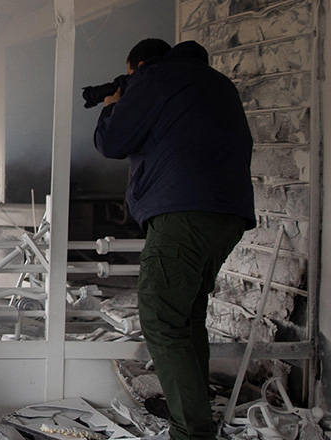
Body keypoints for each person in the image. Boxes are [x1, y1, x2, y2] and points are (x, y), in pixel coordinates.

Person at [94, 39, 254, 440]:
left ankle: (191, 429)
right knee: (185, 318)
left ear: (138, 65)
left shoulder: (154, 77)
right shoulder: (218, 84)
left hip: (183, 212)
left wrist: (112, 104)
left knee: (161, 317)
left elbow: (112, 142)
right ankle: (194, 407)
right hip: (228, 215)